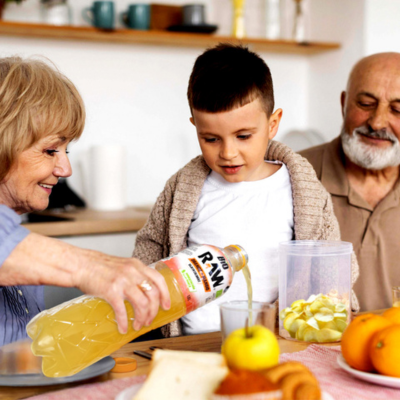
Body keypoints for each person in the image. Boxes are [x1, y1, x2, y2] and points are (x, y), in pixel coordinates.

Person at [133, 43, 359, 338]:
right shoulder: (183, 188)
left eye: (243, 136)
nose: (228, 152)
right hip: (192, 344)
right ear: (195, 126)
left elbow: (331, 266)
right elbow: (150, 248)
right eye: (211, 138)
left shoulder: (303, 191)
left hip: (275, 341)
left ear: (272, 123)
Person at [0, 56, 170, 347]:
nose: (66, 170)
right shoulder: (16, 250)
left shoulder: (23, 246)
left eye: (66, 150)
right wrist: (89, 268)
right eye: (51, 150)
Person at [300, 52, 400, 312]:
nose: (378, 122)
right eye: (366, 103)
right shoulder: (294, 176)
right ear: (344, 103)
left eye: (398, 110)